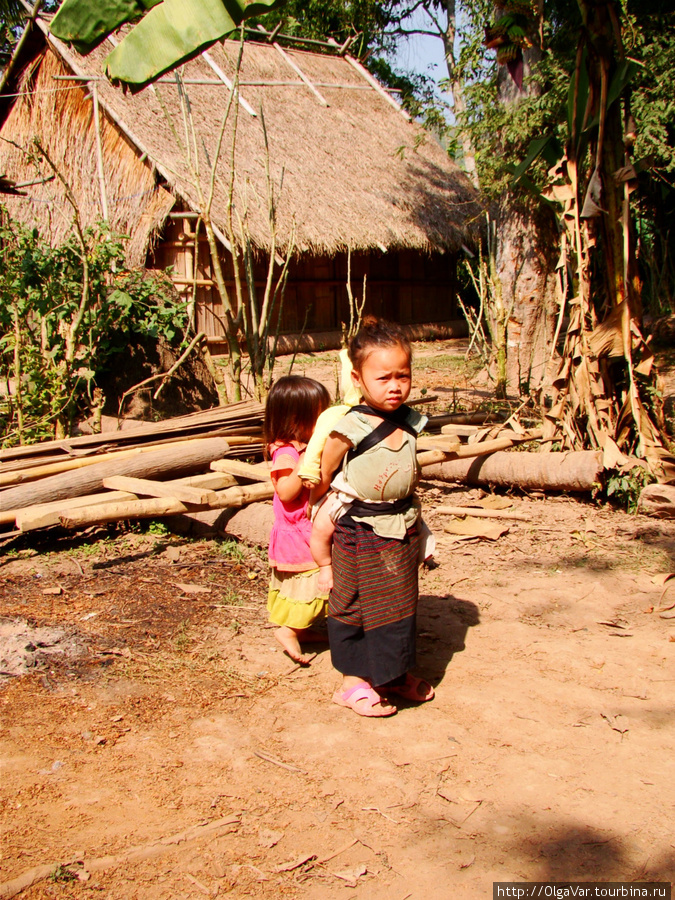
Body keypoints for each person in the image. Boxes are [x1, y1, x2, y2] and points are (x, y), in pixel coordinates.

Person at [311, 317, 435, 717]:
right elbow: (326, 472)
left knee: (400, 602)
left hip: (400, 528)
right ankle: (353, 682)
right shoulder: (351, 426)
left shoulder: (413, 422)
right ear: (358, 378)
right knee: (356, 603)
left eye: (403, 375)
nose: (395, 385)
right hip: (357, 530)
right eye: (383, 378)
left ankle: (392, 674)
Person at [265, 375, 331, 665]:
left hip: (308, 528)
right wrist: (306, 461)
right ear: (295, 418)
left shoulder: (303, 446)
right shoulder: (285, 451)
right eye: (318, 416)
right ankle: (289, 630)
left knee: (313, 581)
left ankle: (301, 629)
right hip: (297, 534)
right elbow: (287, 491)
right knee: (311, 582)